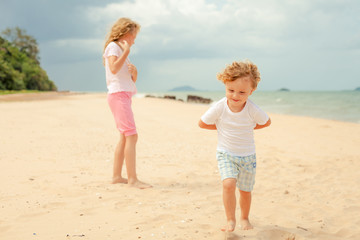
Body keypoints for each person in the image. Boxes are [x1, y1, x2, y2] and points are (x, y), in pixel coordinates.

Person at [198, 60, 271, 231]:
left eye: (242, 92)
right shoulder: (220, 107)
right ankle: (230, 220)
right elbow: (202, 123)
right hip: (226, 154)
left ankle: (244, 218)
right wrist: (222, 127)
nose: (235, 96)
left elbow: (266, 122)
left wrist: (250, 126)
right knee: (228, 184)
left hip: (248, 156)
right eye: (231, 90)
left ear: (251, 91)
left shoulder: (252, 109)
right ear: (225, 85)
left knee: (245, 191)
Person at [103, 17, 151, 189]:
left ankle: (117, 176)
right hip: (118, 96)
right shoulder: (113, 47)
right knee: (132, 135)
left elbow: (129, 79)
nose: (134, 40)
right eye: (133, 36)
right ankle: (132, 179)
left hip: (123, 95)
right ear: (125, 33)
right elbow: (114, 68)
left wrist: (135, 72)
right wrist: (126, 52)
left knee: (125, 136)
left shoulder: (120, 49)